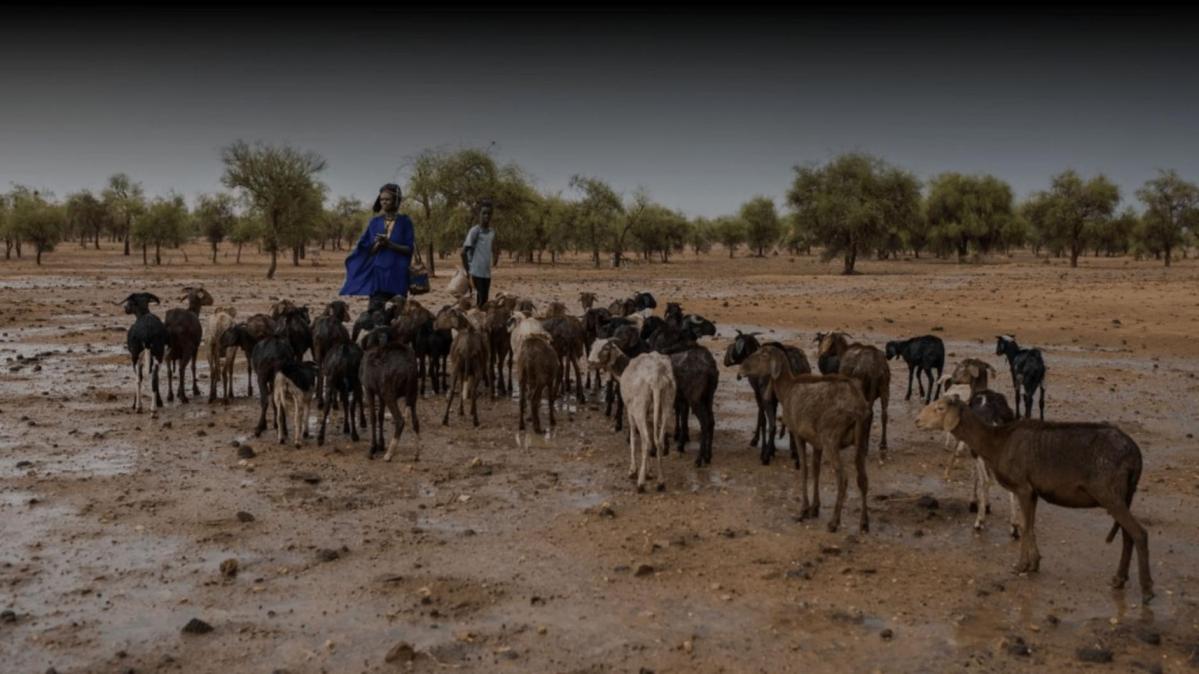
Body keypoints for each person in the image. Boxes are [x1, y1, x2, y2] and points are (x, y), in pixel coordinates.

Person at [340, 183, 415, 306]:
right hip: (379, 274)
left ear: (396, 200)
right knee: (375, 313)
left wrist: (389, 244)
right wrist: (378, 245)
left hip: (398, 275)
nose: (384, 202)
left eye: (387, 199)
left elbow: (409, 249)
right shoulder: (374, 222)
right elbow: (367, 250)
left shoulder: (405, 222)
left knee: (398, 315)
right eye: (381, 199)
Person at [461, 199, 496, 307]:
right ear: (479, 214)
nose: (486, 216)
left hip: (486, 274)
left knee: (484, 303)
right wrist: (468, 273)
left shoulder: (492, 232)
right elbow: (463, 253)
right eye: (484, 213)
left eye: (489, 213)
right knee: (479, 304)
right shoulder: (475, 231)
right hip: (476, 273)